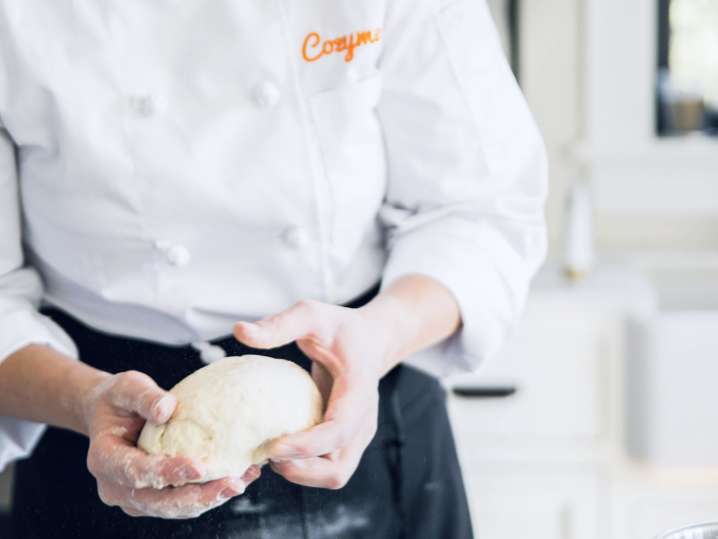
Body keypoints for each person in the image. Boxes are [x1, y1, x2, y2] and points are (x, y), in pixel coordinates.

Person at [0, 0, 547, 537]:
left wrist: (379, 336)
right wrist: (84, 400)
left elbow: (481, 209)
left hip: (359, 388)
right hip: (97, 424)